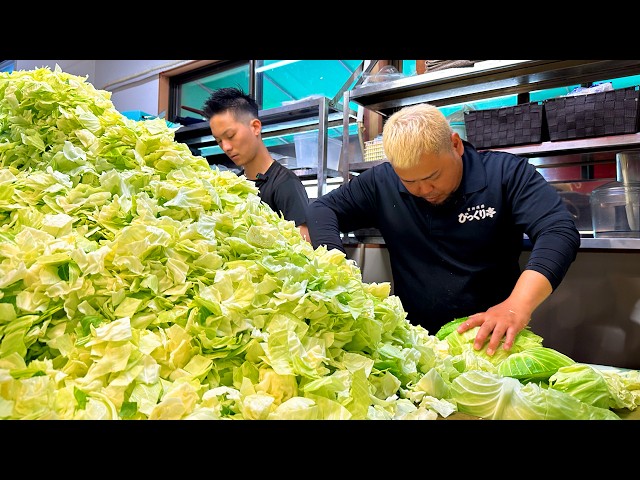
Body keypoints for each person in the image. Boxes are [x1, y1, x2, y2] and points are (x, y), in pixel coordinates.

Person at [306, 102, 580, 356]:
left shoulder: (506, 173)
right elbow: (322, 209)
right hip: (415, 345)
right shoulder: (382, 182)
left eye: (433, 176)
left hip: (490, 341)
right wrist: (337, 267)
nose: (424, 190)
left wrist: (516, 306)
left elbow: (558, 230)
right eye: (410, 181)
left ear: (455, 145)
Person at [202, 86, 310, 242]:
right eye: (219, 141)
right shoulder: (233, 186)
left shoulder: (285, 185)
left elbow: (304, 249)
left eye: (230, 136)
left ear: (255, 127)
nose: (225, 147)